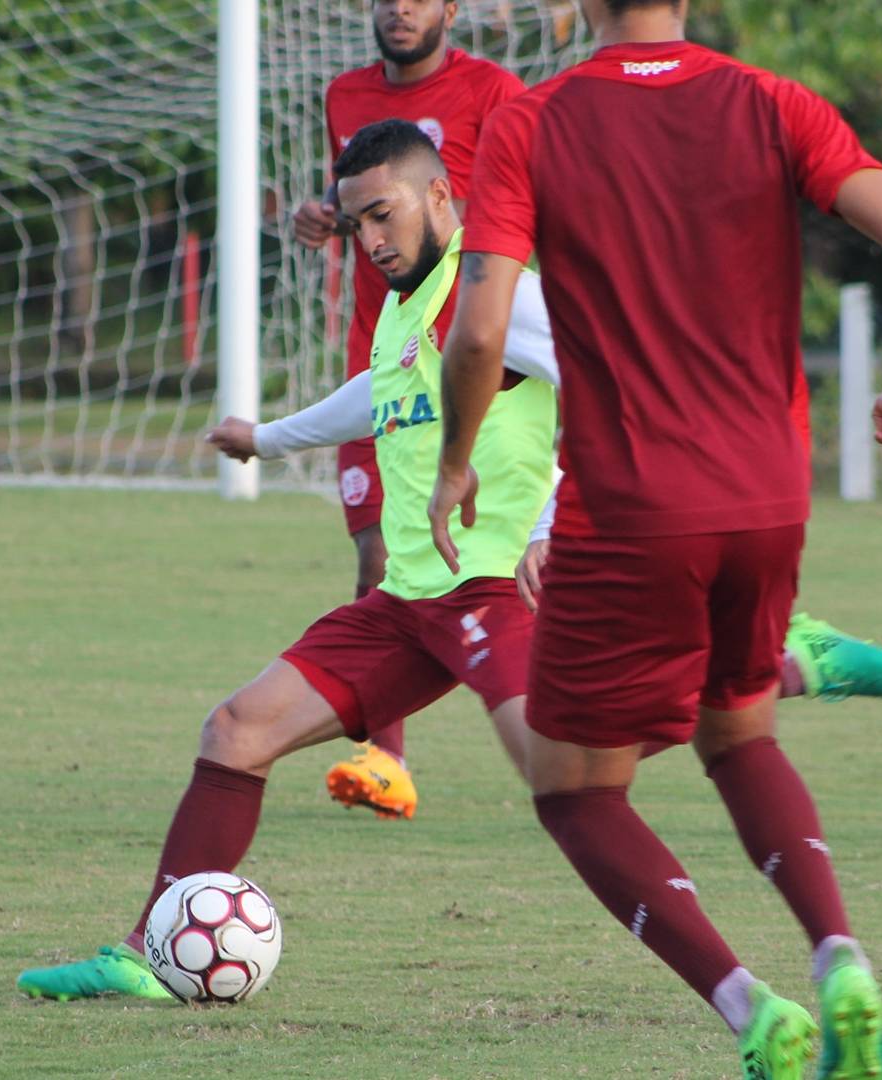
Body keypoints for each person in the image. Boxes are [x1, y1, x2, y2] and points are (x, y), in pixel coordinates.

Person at [428, 2, 882, 1078]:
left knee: (577, 789)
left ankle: (752, 1010)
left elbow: (481, 327)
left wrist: (453, 462)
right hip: (769, 493)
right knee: (741, 735)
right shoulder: (773, 102)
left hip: (631, 506)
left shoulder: (536, 122)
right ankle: (840, 956)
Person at [15, 119, 557, 1003]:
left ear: (440, 196)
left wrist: (557, 519)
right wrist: (266, 438)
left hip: (495, 592)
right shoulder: (405, 309)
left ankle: (750, 676)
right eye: (357, 228)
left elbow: (605, 389)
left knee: (566, 780)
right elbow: (375, 395)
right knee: (236, 729)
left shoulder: (502, 296)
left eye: (383, 215)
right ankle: (146, 955)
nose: (372, 242)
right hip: (407, 603)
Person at [292, 0, 526, 818]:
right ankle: (385, 757)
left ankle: (738, 667)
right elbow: (353, 192)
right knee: (378, 554)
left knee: (514, 564)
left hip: (465, 348)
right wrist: (321, 216)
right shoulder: (342, 95)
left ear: (451, 9)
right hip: (378, 352)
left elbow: (509, 200)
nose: (400, 9)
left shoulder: (494, 90)